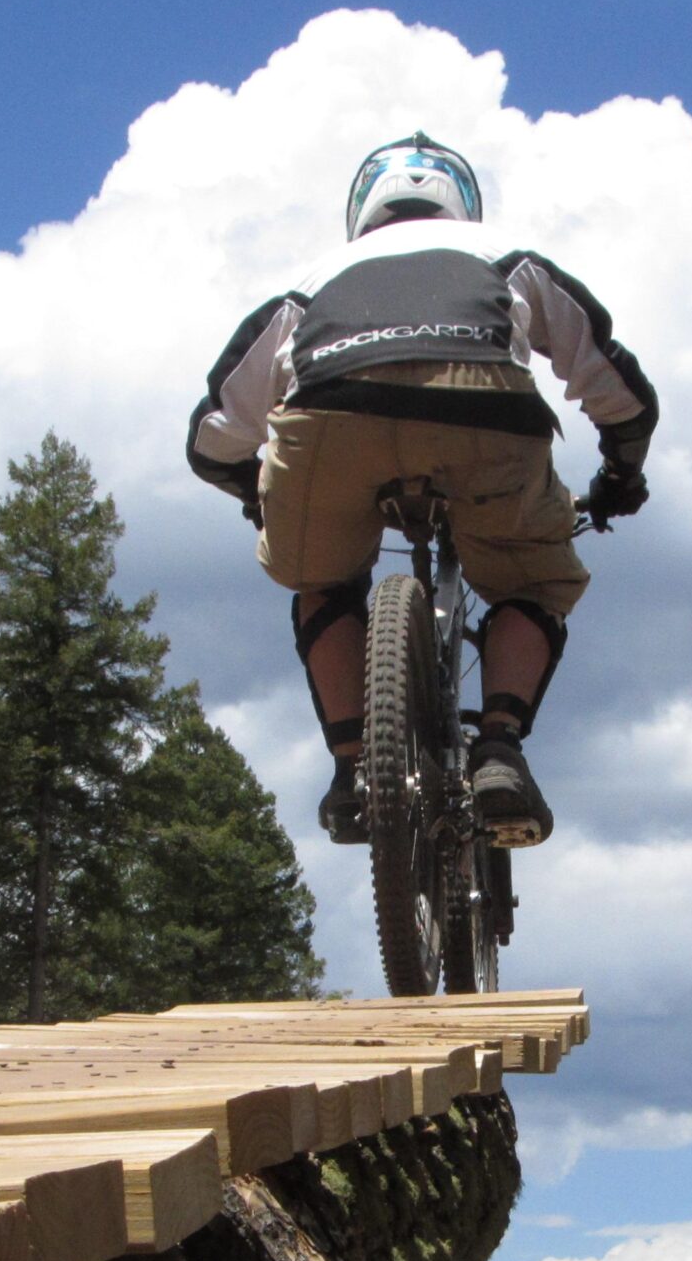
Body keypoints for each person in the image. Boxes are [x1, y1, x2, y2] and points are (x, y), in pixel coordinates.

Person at [186, 132, 657, 846]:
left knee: (319, 578)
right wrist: (620, 474)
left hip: (329, 416)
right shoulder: (506, 254)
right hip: (484, 413)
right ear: (462, 206)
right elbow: (618, 388)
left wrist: (265, 498)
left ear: (362, 213)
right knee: (534, 581)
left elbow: (212, 436)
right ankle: (499, 747)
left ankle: (353, 773)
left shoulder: (308, 283)